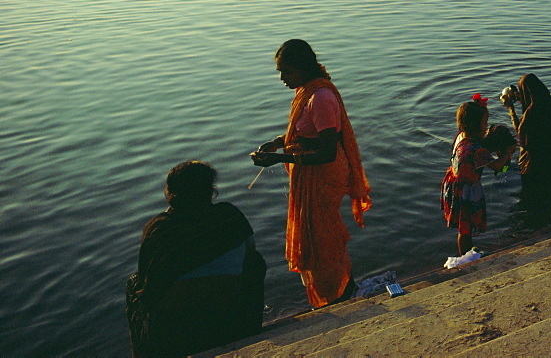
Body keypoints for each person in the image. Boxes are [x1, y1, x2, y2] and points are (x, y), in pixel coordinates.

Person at [251, 39, 371, 307]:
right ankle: (337, 290)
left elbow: (327, 151)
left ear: (303, 68)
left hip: (325, 176)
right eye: (280, 72)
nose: (282, 78)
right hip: (313, 174)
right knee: (318, 236)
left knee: (323, 238)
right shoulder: (306, 92)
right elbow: (305, 133)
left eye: (287, 71)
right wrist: (278, 142)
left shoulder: (321, 98)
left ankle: (339, 292)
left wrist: (279, 158)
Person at [125, 161, 266, 357]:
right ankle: (247, 328)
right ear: (211, 190)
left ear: (170, 192)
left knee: (133, 284)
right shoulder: (229, 216)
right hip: (229, 302)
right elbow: (250, 253)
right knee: (256, 262)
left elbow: (148, 283)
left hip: (178, 316)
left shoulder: (158, 228)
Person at [440, 95, 516, 256]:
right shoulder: (476, 150)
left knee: (463, 226)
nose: (486, 126)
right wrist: (507, 153)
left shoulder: (461, 137)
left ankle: (468, 252)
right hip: (467, 190)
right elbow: (496, 165)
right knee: (465, 228)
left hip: (454, 184)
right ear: (476, 126)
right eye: (484, 123)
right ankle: (466, 257)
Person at [502, 73, 551, 194]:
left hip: (536, 166)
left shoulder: (532, 112)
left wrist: (511, 109)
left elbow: (521, 134)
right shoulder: (550, 103)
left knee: (532, 195)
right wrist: (521, 99)